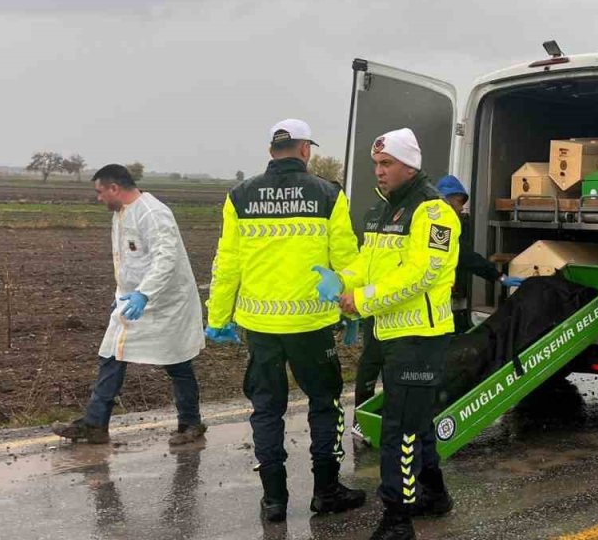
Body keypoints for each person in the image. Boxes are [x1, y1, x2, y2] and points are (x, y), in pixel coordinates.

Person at [204, 119, 365, 523]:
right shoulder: (329, 194)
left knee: (266, 410)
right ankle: (326, 492)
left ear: (272, 150)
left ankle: (274, 500)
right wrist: (353, 308)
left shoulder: (239, 195)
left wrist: (218, 316)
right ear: (305, 150)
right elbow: (346, 260)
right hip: (312, 325)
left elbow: (228, 263)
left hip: (260, 327)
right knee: (324, 405)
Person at [329, 128, 462, 540]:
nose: (379, 172)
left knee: (398, 430)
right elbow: (367, 263)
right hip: (391, 333)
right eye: (377, 165)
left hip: (420, 338)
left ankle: (397, 519)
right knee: (417, 423)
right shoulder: (385, 210)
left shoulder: (434, 213)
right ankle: (435, 495)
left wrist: (363, 300)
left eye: (386, 164)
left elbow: (422, 274)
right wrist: (340, 283)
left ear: (410, 166)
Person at [51, 165, 206, 447]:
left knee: (177, 363)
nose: (99, 199)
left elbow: (165, 259)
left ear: (114, 188)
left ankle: (191, 423)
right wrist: (123, 292)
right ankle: (96, 424)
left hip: (167, 304)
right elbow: (128, 260)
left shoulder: (153, 213)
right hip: (132, 301)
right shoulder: (121, 214)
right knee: (111, 355)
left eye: (100, 192)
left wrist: (144, 293)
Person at [435, 175, 522, 331]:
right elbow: (467, 257)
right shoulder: (439, 227)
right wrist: (499, 277)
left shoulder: (427, 221)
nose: (462, 208)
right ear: (447, 200)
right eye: (459, 202)